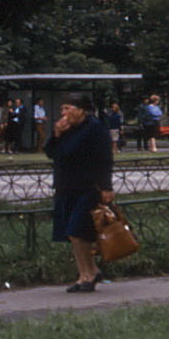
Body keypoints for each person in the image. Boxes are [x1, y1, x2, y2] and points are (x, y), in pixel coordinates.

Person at [45, 93, 114, 293]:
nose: (64, 113)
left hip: (88, 187)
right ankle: (88, 272)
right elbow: (52, 153)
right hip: (66, 186)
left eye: (68, 109)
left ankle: (88, 275)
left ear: (81, 110)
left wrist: (107, 187)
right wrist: (56, 134)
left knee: (78, 232)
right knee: (72, 233)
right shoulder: (66, 129)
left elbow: (105, 159)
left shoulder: (95, 129)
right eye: (62, 109)